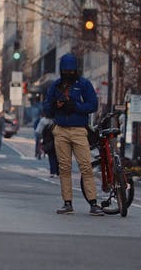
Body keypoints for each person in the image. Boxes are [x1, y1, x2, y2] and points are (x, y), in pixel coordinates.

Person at [43, 53, 103, 216]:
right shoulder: (55, 86)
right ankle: (67, 202)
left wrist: (75, 106)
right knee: (64, 168)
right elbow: (47, 108)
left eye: (70, 71)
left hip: (78, 129)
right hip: (61, 129)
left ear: (75, 70)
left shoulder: (83, 84)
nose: (68, 74)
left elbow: (93, 105)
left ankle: (93, 202)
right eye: (65, 71)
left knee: (86, 166)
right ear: (61, 70)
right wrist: (56, 106)